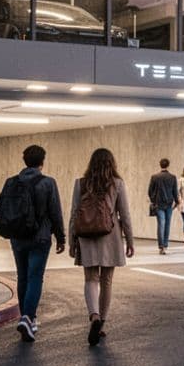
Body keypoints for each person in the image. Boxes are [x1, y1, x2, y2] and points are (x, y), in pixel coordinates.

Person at [68, 148, 134, 346]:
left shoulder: (81, 183)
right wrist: (130, 240)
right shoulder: (117, 184)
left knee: (90, 278)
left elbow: (73, 214)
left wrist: (72, 240)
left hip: (86, 236)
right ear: (111, 163)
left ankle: (94, 316)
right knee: (106, 280)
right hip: (110, 237)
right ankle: (102, 324)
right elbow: (125, 215)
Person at [8, 144, 65, 343]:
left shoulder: (12, 182)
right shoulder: (48, 183)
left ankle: (28, 320)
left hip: (17, 238)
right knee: (35, 277)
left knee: (22, 277)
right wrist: (61, 237)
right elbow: (55, 212)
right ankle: (28, 317)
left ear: (24, 161)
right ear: (42, 161)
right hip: (40, 238)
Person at [147, 158, 181, 254]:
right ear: (168, 165)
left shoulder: (154, 177)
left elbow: (149, 191)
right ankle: (165, 246)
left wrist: (154, 200)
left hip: (159, 204)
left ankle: (161, 247)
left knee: (161, 225)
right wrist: (177, 202)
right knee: (167, 225)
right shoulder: (172, 177)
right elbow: (175, 191)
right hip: (169, 204)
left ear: (160, 165)